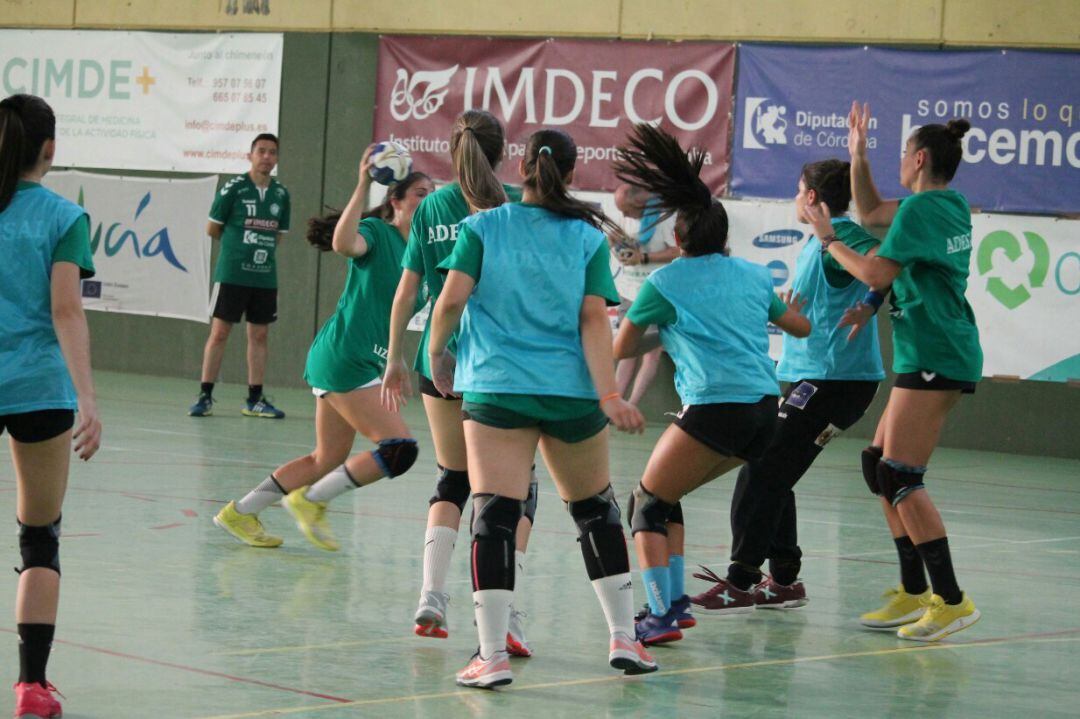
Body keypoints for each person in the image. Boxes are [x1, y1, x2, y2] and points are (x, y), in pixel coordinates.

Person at [429, 128, 658, 688]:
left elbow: (452, 299)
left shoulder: (482, 226)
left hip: (499, 390)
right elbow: (592, 321)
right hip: (572, 393)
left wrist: (438, 354)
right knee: (595, 511)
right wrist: (608, 395)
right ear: (572, 175)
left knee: (495, 515)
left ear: (524, 166)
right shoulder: (585, 237)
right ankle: (625, 639)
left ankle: (492, 657)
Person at [610, 123, 809, 644]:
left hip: (716, 408)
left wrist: (657, 332)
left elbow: (620, 349)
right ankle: (673, 606)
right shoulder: (751, 274)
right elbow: (795, 326)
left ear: (677, 239)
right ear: (724, 238)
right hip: (766, 410)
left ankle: (661, 614)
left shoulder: (666, 280)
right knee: (666, 497)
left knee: (646, 505)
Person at [804, 102, 981, 641]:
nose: (898, 160)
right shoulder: (946, 205)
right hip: (934, 349)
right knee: (878, 463)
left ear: (920, 157)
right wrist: (857, 154)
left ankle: (950, 600)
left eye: (902, 154)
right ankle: (911, 590)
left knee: (902, 476)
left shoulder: (924, 212)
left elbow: (876, 266)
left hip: (935, 352)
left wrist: (828, 238)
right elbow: (872, 209)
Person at [690, 158, 884, 614]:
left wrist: (833, 240)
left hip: (836, 381)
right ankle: (783, 580)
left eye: (799, 189)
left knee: (761, 471)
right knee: (774, 469)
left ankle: (742, 581)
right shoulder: (815, 245)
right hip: (811, 377)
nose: (795, 197)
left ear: (813, 198)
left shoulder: (841, 235)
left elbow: (878, 267)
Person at [213, 147, 431, 551]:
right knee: (399, 449)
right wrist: (363, 183)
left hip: (362, 362)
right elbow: (344, 243)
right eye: (419, 193)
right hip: (344, 357)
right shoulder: (379, 235)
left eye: (430, 194)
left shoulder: (423, 255)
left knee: (326, 459)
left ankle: (240, 512)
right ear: (395, 202)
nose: (427, 200)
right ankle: (311, 501)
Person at [381, 110, 536, 655]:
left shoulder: (432, 209)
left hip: (438, 356)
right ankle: (507, 615)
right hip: (502, 363)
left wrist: (397, 356)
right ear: (502, 152)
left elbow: (408, 291)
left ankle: (431, 595)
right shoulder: (519, 206)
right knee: (517, 491)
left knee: (453, 477)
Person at [0, 94, 102, 719]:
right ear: (51, 149)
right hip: (39, 387)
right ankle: (32, 688)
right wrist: (87, 398)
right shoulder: (64, 215)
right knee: (40, 536)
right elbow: (66, 310)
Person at [189, 133, 291, 419]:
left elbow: (278, 235)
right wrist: (240, 248)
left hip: (264, 277)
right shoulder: (233, 189)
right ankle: (205, 396)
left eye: (272, 152)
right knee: (220, 332)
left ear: (277, 158)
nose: (267, 157)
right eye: (261, 151)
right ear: (251, 155)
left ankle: (254, 399)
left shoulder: (281, 194)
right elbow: (213, 229)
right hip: (232, 274)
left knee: (259, 335)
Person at [610, 184, 680, 406]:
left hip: (655, 291)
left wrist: (645, 258)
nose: (624, 215)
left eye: (626, 210)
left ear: (638, 203)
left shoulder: (664, 218)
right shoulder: (626, 217)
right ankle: (614, 402)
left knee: (651, 353)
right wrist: (618, 245)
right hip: (629, 290)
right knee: (626, 349)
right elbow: (625, 244)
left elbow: (677, 251)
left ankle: (633, 404)